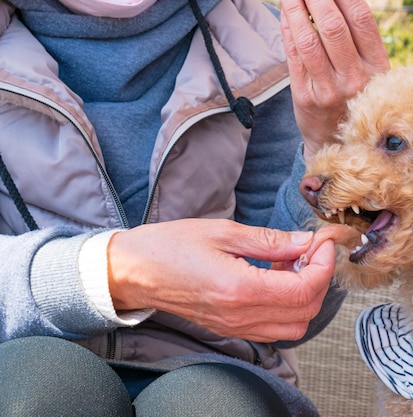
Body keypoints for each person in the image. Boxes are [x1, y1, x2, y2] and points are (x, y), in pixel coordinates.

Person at [0, 0, 390, 415]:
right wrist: (118, 271)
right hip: (24, 359)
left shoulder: (278, 51)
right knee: (39, 386)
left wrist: (336, 149)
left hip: (220, 376)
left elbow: (289, 317)